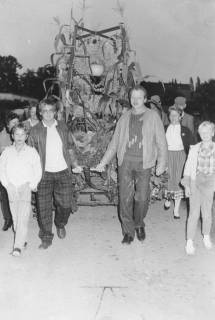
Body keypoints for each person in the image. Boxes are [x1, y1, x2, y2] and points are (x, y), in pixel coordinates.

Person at [93, 85, 167, 244]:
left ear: (145, 99)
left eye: (139, 97)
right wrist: (103, 162)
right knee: (125, 198)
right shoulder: (124, 117)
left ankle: (139, 223)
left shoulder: (153, 116)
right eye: (133, 97)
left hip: (144, 163)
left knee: (141, 198)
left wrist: (161, 163)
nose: (135, 100)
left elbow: (161, 141)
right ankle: (128, 231)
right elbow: (114, 143)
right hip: (125, 162)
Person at [28, 96, 82, 250]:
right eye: (44, 111)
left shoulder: (63, 127)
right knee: (43, 208)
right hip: (43, 174)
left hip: (63, 171)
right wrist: (32, 177)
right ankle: (46, 237)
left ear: (55, 112)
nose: (48, 113)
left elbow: (70, 147)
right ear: (39, 113)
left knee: (65, 205)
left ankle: (60, 223)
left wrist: (75, 164)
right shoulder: (34, 131)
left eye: (50, 110)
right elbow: (31, 156)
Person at [0, 123, 42, 256]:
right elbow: (1, 169)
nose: (19, 137)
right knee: (16, 217)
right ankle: (22, 239)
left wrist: (32, 184)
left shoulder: (31, 151)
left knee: (23, 217)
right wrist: (7, 185)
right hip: (11, 187)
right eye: (16, 134)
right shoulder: (7, 152)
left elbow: (37, 169)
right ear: (12, 136)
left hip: (25, 186)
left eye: (22, 134)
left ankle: (17, 246)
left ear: (26, 136)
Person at [181, 121, 215, 255]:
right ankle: (189, 241)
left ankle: (206, 236)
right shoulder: (194, 149)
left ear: (212, 133)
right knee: (193, 213)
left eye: (208, 132)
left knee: (207, 213)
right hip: (196, 182)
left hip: (210, 182)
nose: (205, 135)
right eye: (202, 132)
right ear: (199, 134)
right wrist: (187, 185)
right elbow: (188, 168)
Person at [164, 106, 194, 218]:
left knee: (178, 181)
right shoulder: (165, 128)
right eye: (171, 115)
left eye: (175, 115)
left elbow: (192, 146)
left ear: (181, 116)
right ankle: (168, 198)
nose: (173, 117)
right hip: (168, 155)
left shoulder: (186, 131)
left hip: (180, 156)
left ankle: (176, 210)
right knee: (168, 178)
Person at [0, 112, 19, 231]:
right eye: (14, 123)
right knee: (5, 196)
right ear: (7, 125)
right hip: (6, 171)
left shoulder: (22, 134)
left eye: (18, 122)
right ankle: (8, 218)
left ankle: (17, 218)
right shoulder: (3, 135)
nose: (17, 125)